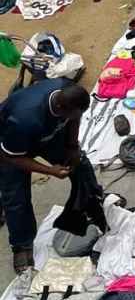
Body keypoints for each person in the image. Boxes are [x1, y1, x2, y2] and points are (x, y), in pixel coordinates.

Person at [0, 80, 97, 273]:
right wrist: (50, 170)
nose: (76, 117)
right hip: (11, 146)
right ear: (60, 108)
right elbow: (12, 157)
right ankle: (22, 245)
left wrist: (72, 146)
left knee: (80, 164)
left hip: (44, 133)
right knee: (16, 197)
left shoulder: (68, 93)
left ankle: (92, 202)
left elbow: (74, 118)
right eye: (71, 114)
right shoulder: (23, 120)